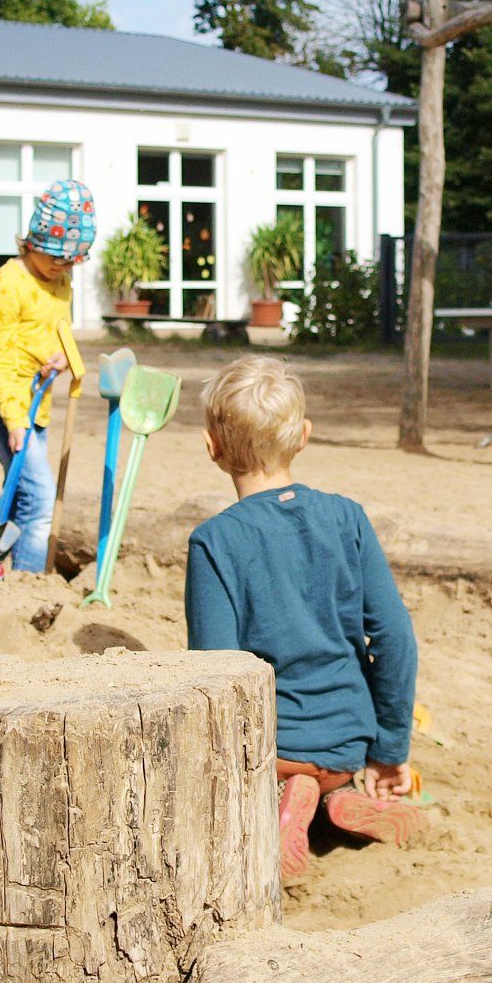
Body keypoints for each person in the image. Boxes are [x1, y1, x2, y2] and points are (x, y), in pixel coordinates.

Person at [184, 356, 425, 881]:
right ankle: (340, 795)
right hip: (349, 743)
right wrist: (390, 749)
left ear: (212, 447)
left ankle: (288, 796)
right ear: (304, 437)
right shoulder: (348, 517)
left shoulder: (215, 541)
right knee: (334, 772)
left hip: (276, 749)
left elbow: (214, 669)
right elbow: (395, 637)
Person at [0, 179, 95, 577]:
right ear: (32, 241)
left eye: (71, 260)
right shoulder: (7, 284)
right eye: (55, 256)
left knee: (20, 490)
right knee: (39, 498)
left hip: (36, 401)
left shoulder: (61, 280)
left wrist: (60, 358)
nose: (62, 267)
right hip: (0, 405)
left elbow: (57, 328)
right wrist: (14, 420)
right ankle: (27, 583)